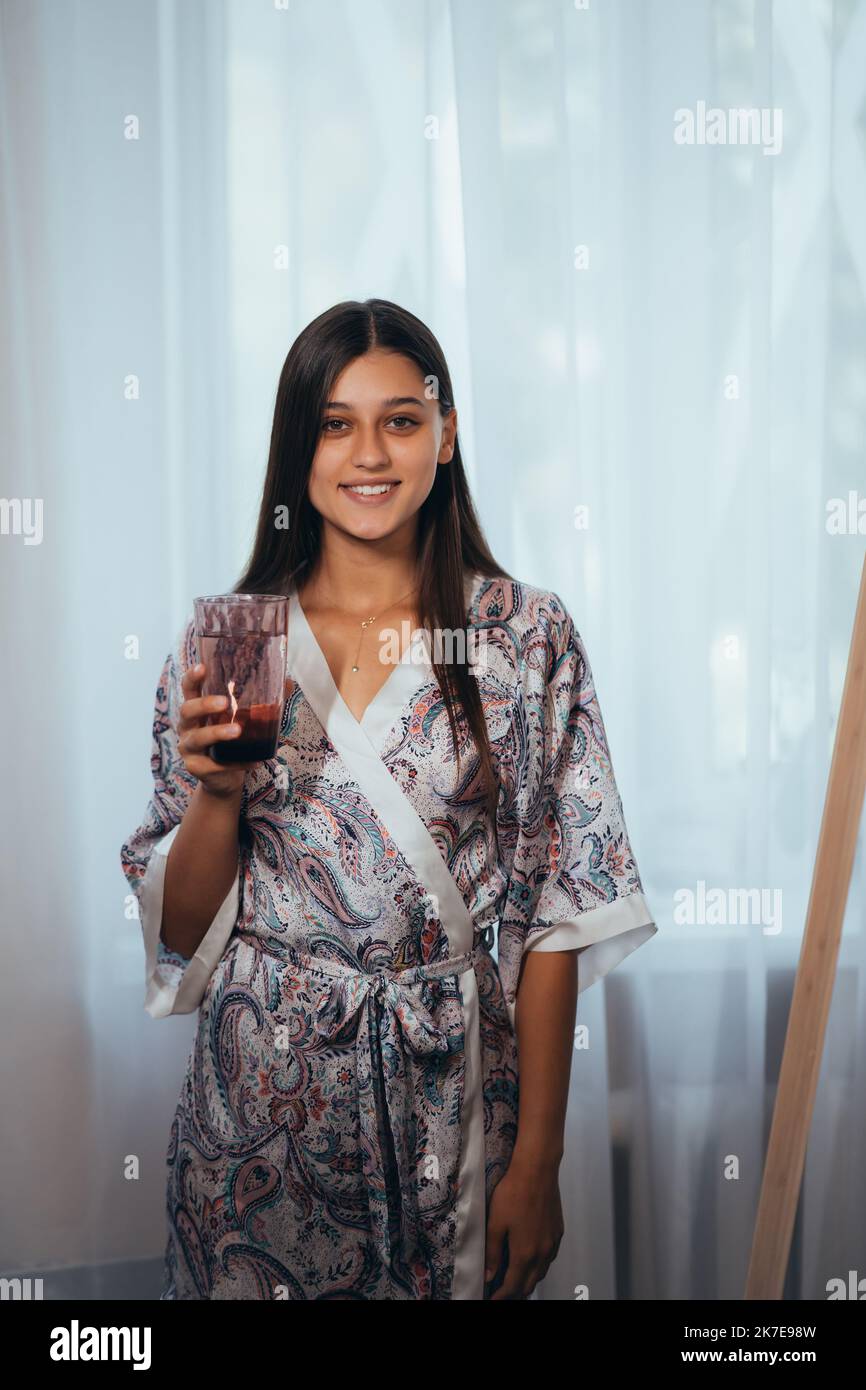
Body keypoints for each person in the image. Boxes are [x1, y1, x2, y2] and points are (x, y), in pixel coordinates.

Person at [120, 298, 657, 1301]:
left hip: (453, 1100)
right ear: (296, 448)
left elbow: (557, 907)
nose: (368, 452)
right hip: (256, 1120)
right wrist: (215, 794)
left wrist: (534, 1164)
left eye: (400, 419)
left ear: (444, 435)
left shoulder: (522, 635)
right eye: (333, 423)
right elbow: (183, 937)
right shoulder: (229, 642)